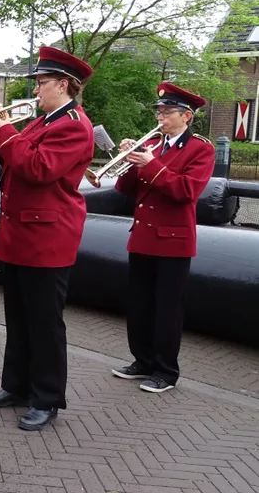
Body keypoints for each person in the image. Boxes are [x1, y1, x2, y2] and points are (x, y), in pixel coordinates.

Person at [0, 46, 95, 432]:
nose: (36, 90)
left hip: (48, 236)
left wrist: (7, 134)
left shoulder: (74, 125)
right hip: (21, 231)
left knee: (45, 323)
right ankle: (16, 385)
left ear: (63, 85)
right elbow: (16, 159)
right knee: (19, 317)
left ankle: (47, 398)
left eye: (42, 83)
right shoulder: (43, 121)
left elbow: (40, 168)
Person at [111, 83, 215, 393]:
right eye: (159, 111)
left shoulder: (201, 148)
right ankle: (142, 361)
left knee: (167, 309)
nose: (160, 117)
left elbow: (186, 191)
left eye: (166, 112)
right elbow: (126, 189)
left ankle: (166, 371)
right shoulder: (154, 144)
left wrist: (151, 164)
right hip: (143, 236)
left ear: (186, 116)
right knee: (139, 305)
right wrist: (129, 159)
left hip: (173, 240)